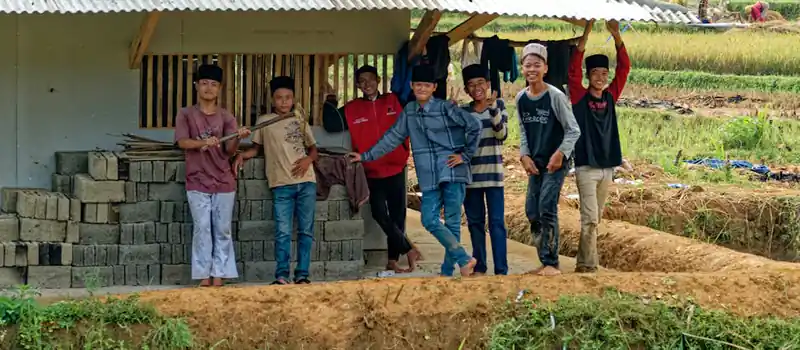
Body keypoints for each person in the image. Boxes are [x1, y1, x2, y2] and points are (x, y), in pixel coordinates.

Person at [347, 65, 480, 277]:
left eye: (427, 85)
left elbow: (474, 126)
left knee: (453, 222)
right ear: (411, 85)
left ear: (434, 87)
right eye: (418, 85)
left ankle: (449, 271)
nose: (422, 89)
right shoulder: (409, 111)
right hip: (428, 176)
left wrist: (465, 155)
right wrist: (365, 156)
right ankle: (464, 258)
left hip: (452, 171)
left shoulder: (446, 108)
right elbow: (392, 138)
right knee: (429, 220)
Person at [234, 76, 319, 285]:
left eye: (288, 97)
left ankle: (302, 275)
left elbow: (313, 150)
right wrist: (241, 155)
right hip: (280, 185)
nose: (284, 101)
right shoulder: (264, 121)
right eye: (279, 98)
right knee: (283, 232)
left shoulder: (299, 119)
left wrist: (308, 160)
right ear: (273, 100)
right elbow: (255, 149)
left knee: (306, 231)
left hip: (306, 181)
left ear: (293, 99)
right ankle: (282, 275)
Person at [174, 64, 251, 287]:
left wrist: (237, 137)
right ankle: (203, 275)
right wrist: (203, 143)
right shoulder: (185, 114)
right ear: (196, 86)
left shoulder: (226, 117)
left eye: (214, 84)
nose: (209, 88)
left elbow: (229, 151)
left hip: (223, 180)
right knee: (202, 228)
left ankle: (220, 274)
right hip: (197, 179)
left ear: (219, 89)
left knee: (223, 229)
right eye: (204, 83)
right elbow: (182, 142)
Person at [342, 65, 422, 273]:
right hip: (371, 170)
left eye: (370, 79)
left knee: (397, 215)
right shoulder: (352, 109)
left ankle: (393, 260)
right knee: (379, 213)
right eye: (362, 81)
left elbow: (420, 104)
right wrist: (329, 101)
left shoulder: (394, 101)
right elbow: (331, 121)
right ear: (357, 85)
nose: (367, 84)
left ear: (378, 80)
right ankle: (408, 249)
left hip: (396, 168)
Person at [568, 20, 630, 274]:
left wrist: (617, 36)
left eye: (604, 74)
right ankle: (588, 266)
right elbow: (572, 71)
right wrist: (585, 35)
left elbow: (625, 68)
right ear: (588, 75)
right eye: (595, 73)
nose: (600, 78)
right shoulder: (579, 97)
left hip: (607, 168)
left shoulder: (610, 96)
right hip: (586, 167)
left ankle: (585, 263)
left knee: (596, 219)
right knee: (590, 219)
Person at [516, 43, 581, 277]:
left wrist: (560, 153)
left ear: (545, 68)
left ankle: (551, 263)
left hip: (556, 161)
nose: (532, 69)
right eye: (528, 65)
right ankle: (544, 259)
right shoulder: (521, 98)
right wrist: (524, 155)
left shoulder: (555, 96)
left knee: (546, 206)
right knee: (531, 210)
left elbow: (573, 130)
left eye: (537, 65)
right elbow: (523, 131)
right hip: (536, 161)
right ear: (522, 68)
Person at [459, 64, 509, 276]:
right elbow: (458, 141)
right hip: (470, 177)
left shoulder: (499, 106)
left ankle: (501, 270)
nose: (476, 88)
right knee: (475, 223)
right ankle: (480, 266)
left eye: (480, 83)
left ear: (488, 84)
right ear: (466, 90)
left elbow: (501, 135)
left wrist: (493, 109)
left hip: (494, 177)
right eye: (471, 85)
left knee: (497, 223)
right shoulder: (462, 112)